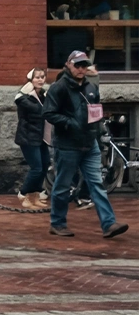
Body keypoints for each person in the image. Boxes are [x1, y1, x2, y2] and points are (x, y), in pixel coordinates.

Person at [44, 51, 128, 239]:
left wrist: (98, 135)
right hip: (67, 146)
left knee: (97, 184)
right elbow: (48, 113)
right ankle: (57, 223)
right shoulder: (59, 88)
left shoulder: (91, 87)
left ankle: (109, 224)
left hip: (90, 145)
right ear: (68, 64)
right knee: (63, 186)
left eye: (84, 65)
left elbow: (95, 112)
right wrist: (70, 123)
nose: (81, 68)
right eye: (77, 65)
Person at [15, 68, 52, 209]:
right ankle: (23, 194)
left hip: (41, 137)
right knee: (36, 168)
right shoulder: (24, 98)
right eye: (37, 77)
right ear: (31, 79)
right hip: (28, 137)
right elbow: (39, 110)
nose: (41, 80)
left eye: (42, 77)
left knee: (44, 166)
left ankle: (34, 196)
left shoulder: (43, 96)